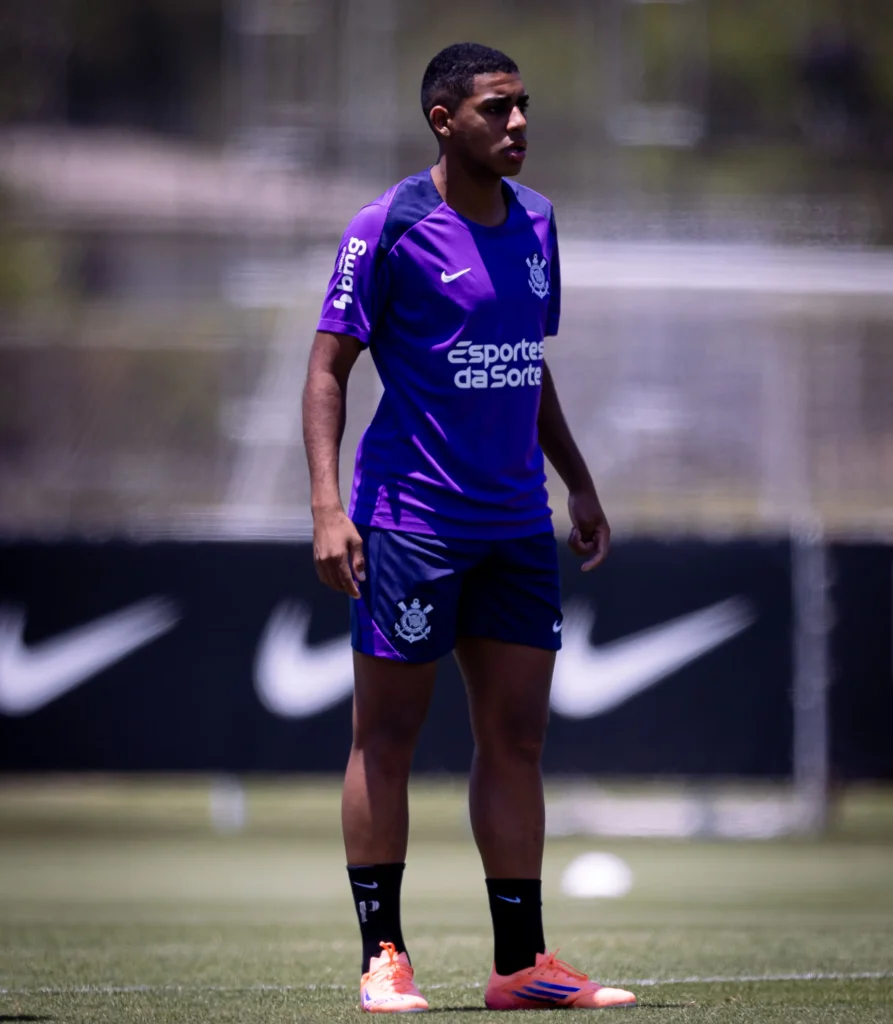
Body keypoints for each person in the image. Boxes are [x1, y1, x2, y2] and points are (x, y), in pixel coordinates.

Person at [302, 41, 636, 1014]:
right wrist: (327, 507)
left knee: (517, 739)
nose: (518, 123)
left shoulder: (537, 222)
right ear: (443, 120)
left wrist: (577, 482)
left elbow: (525, 361)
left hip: (516, 527)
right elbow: (326, 371)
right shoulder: (387, 226)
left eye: (523, 105)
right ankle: (383, 957)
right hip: (410, 523)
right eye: (497, 107)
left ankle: (520, 965)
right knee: (387, 737)